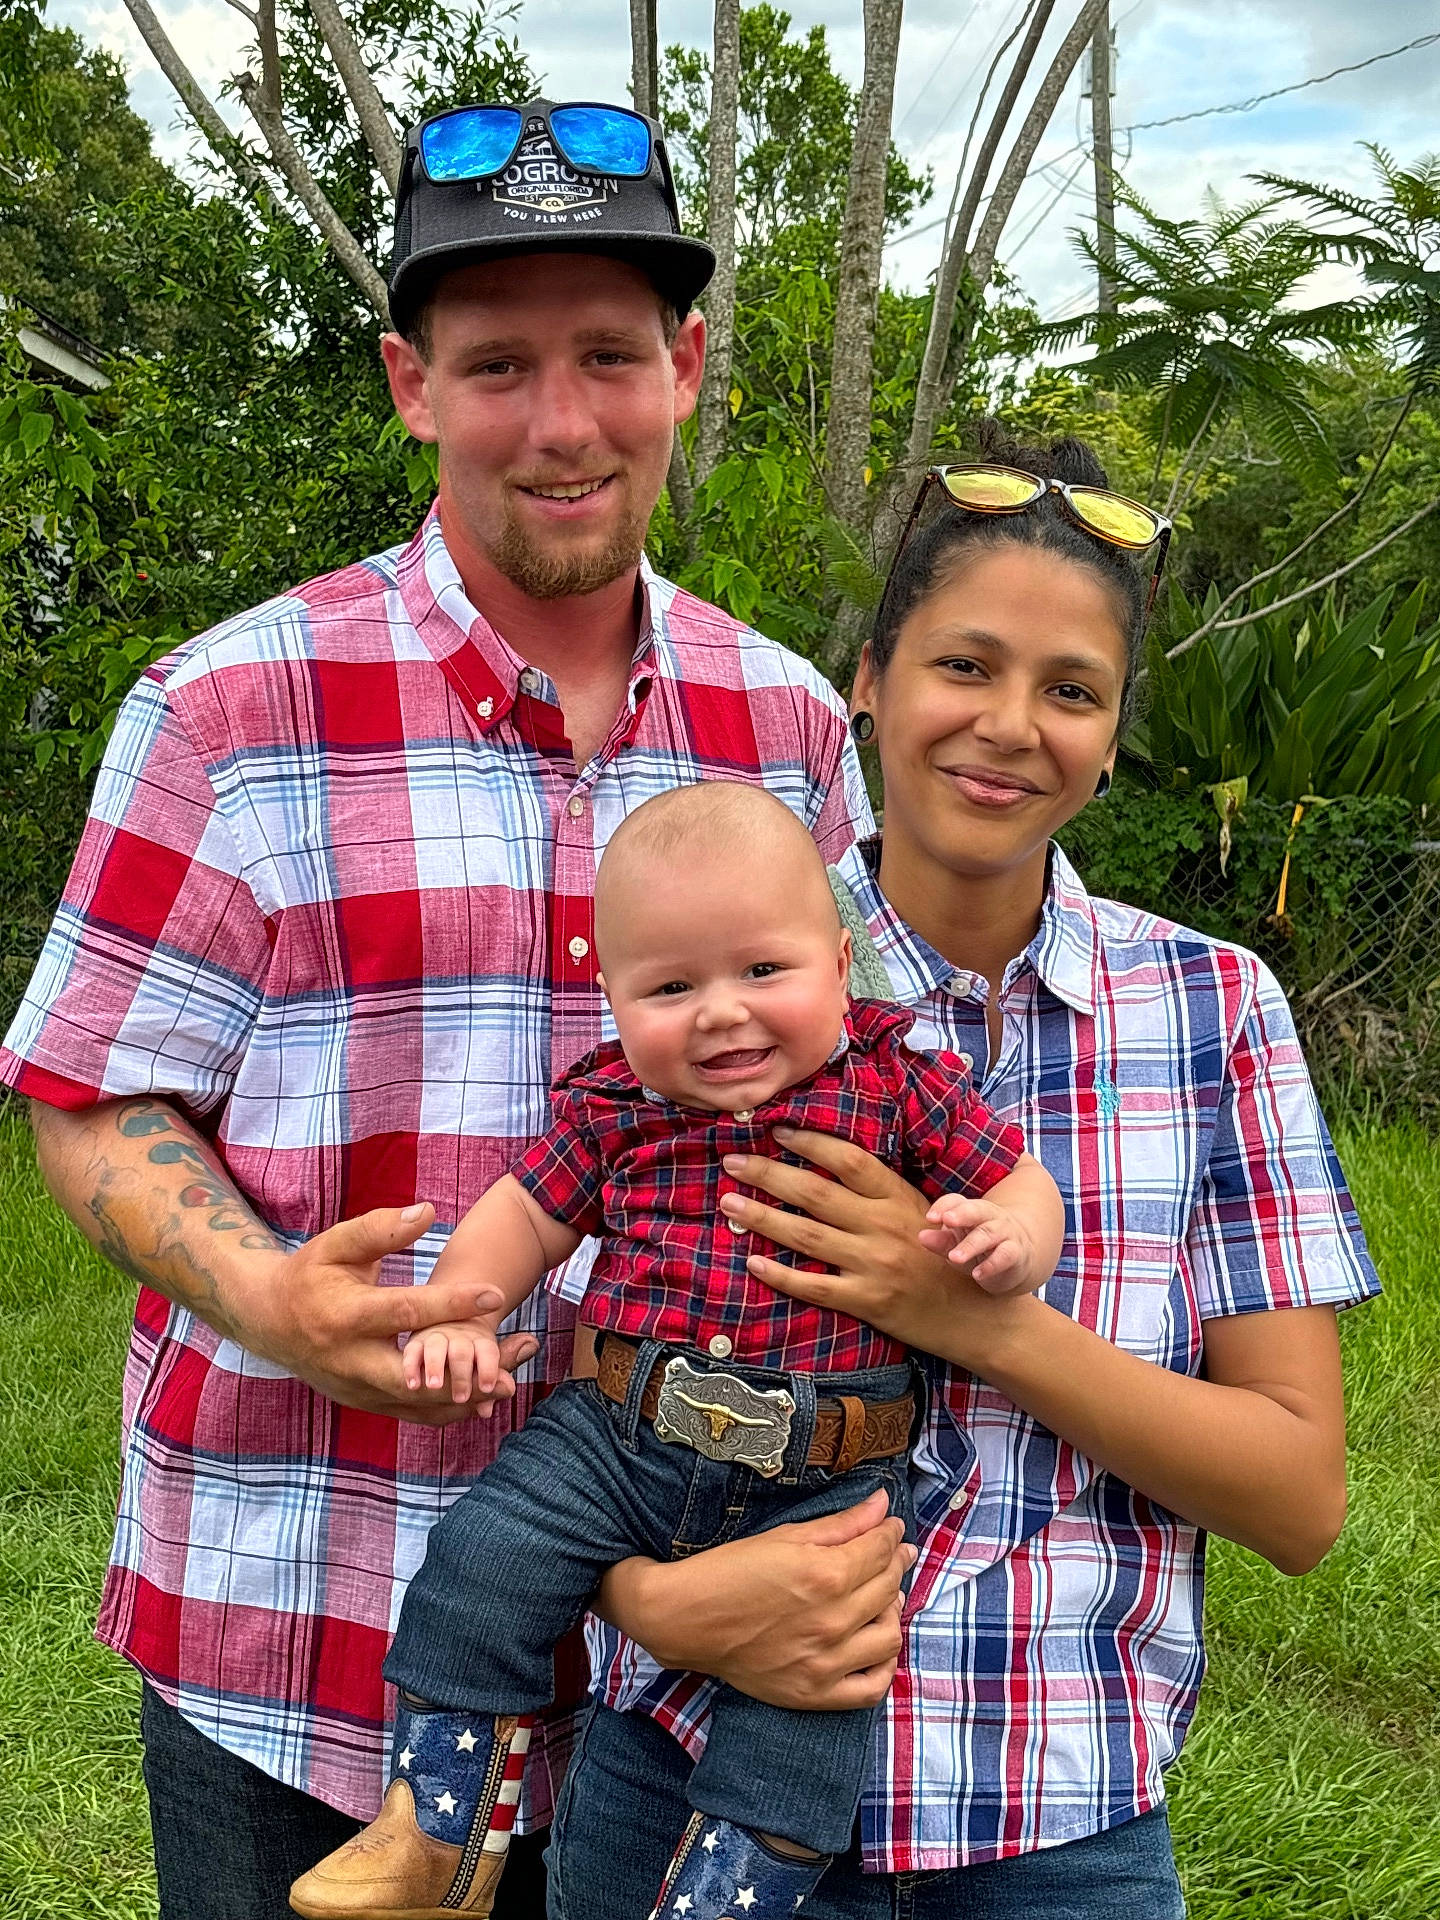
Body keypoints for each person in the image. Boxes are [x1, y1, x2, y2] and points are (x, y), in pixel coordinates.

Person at [0, 98, 899, 1920]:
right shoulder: (228, 713)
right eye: (498, 364)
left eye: (607, 357)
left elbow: (863, 1081)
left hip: (690, 1656)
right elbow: (89, 1100)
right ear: (413, 383)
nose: (561, 424)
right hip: (306, 1632)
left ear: (689, 366)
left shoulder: (792, 725)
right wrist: (270, 1296)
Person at [546, 432, 1381, 1919]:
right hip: (683, 1768)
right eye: (964, 666)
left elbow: (1298, 1494)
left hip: (1055, 1824)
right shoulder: (708, 984)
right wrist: (645, 1597)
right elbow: (567, 1392)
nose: (1009, 725)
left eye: (1071, 691)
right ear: (866, 678)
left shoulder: (1212, 1011)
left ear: (1116, 735)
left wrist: (985, 1324)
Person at [288, 781, 1064, 1919]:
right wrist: (463, 1305)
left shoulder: (897, 1084)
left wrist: (1010, 1236)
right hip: (615, 1431)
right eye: (670, 987)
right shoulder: (619, 1107)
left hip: (832, 1471)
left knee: (816, 1698)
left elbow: (1021, 1179)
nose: (721, 1014)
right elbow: (527, 1211)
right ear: (612, 999)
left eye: (763, 972)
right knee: (479, 1564)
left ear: (842, 965)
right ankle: (438, 1839)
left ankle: (728, 1894)